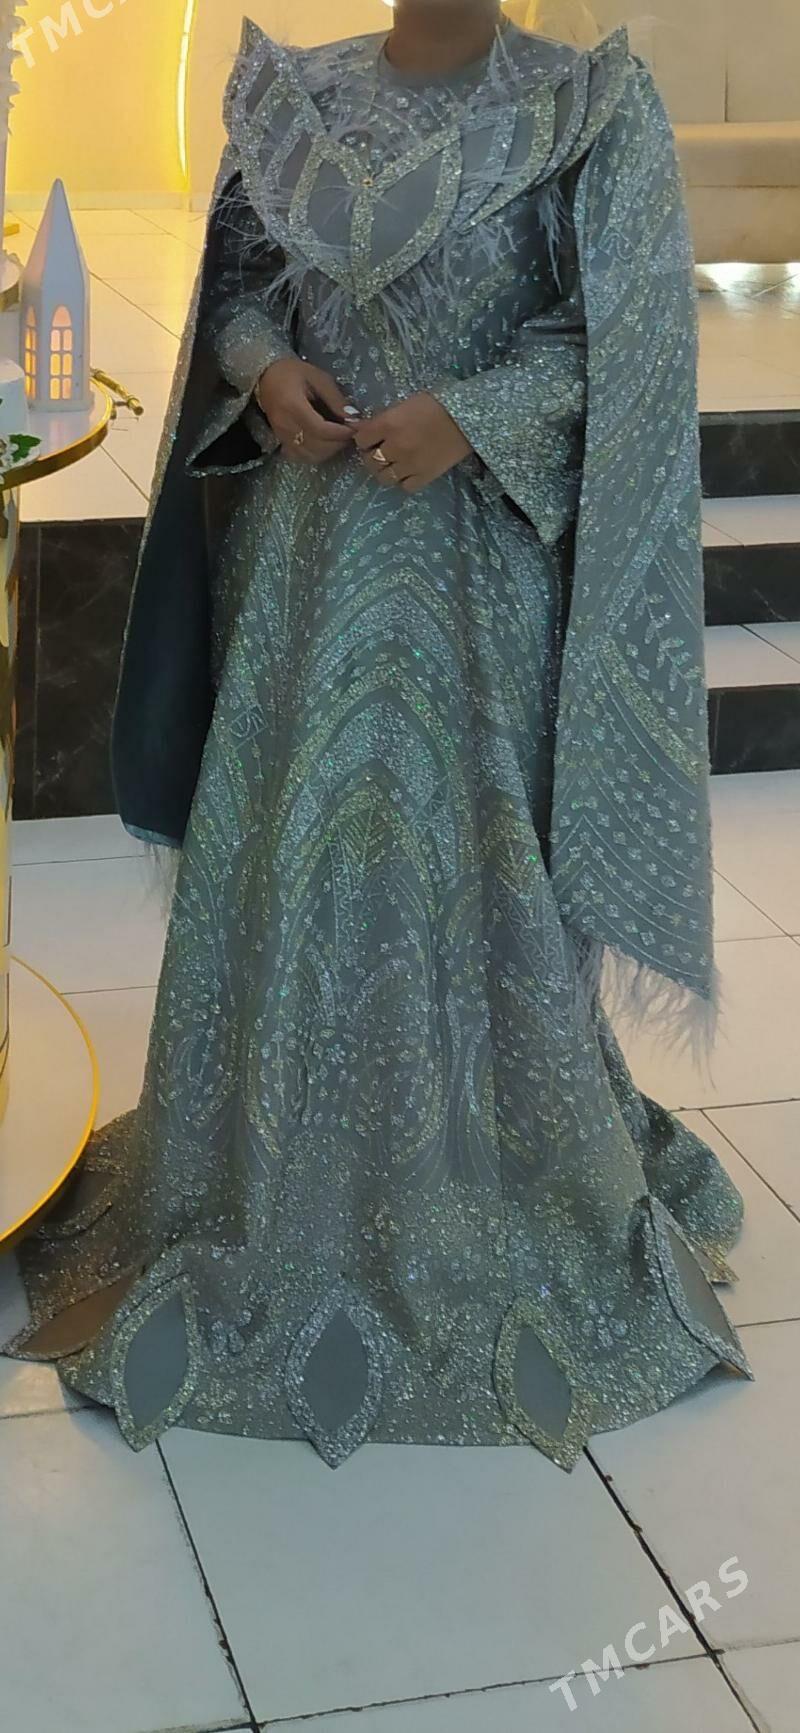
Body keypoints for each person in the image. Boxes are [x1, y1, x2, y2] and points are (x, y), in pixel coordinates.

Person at [3, 1, 752, 1468]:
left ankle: (479, 1187)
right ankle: (257, 1176)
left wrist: (469, 413)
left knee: (464, 867)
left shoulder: (585, 108)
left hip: (476, 583)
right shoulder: (299, 101)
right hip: (302, 572)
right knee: (293, 860)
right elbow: (242, 294)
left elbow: (623, 335)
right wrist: (263, 369)